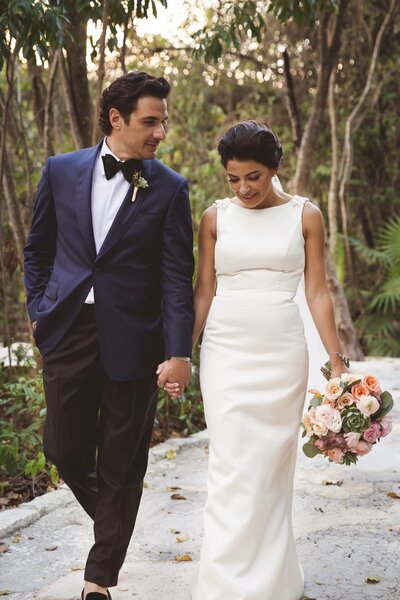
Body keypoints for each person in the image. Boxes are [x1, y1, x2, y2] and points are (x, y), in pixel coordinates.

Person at [23, 71, 194, 600]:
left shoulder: (169, 187)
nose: (160, 132)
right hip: (68, 329)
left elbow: (174, 277)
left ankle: (98, 579)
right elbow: (38, 250)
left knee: (123, 460)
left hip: (136, 341)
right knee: (64, 448)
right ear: (116, 119)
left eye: (163, 121)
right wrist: (40, 310)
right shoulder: (60, 170)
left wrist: (177, 351)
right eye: (150, 120)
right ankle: (116, 519)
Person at [165, 120, 347, 599]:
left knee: (269, 469)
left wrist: (337, 362)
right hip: (226, 351)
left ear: (274, 169)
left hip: (282, 354)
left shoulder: (305, 215)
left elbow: (317, 290)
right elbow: (202, 293)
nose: (243, 188)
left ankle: (272, 582)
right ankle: (222, 585)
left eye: (253, 177)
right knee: (230, 464)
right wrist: (182, 351)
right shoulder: (214, 218)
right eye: (233, 178)